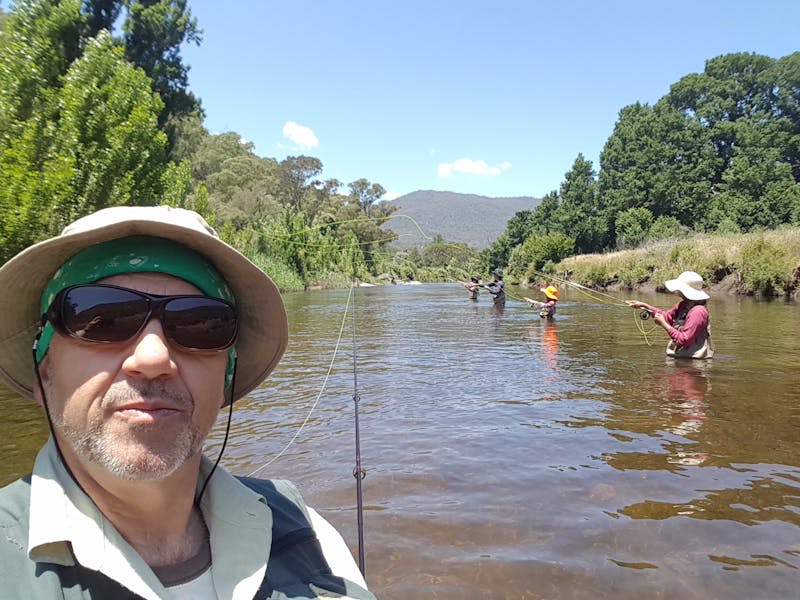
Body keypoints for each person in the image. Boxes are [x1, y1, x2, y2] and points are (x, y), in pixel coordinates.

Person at [0, 206, 376, 599]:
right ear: (44, 374)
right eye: (102, 318)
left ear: (224, 381)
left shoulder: (304, 529)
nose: (153, 359)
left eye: (199, 325)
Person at [627, 270, 714, 359]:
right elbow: (666, 316)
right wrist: (644, 306)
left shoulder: (698, 312)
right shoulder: (683, 305)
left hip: (694, 363)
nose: (676, 290)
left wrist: (664, 324)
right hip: (682, 359)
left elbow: (683, 340)